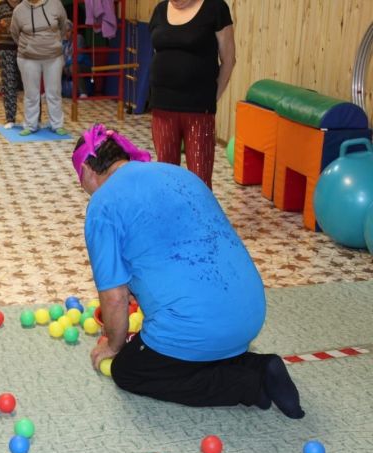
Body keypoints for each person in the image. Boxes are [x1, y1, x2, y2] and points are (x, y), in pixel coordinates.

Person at [74, 124, 305, 419]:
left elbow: (115, 298)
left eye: (81, 182)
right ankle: (252, 363)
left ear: (88, 170)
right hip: (251, 314)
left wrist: (113, 345)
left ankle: (252, 382)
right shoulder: (178, 173)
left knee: (130, 370)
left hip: (201, 327)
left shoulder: (102, 205)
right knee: (186, 346)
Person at [148, 0, 236, 189]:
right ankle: (171, 218)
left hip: (198, 110)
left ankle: (200, 218)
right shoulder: (160, 10)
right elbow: (159, 53)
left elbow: (229, 60)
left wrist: (212, 97)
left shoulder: (215, 8)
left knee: (200, 179)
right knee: (166, 177)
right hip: (162, 108)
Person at [10, 0, 68, 136]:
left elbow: (63, 25)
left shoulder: (55, 4)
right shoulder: (19, 10)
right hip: (27, 57)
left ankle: (57, 125)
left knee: (54, 92)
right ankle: (30, 125)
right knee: (31, 93)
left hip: (54, 57)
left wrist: (54, 43)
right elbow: (14, 33)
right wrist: (29, 47)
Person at [0, 0, 22, 128]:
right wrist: (1, 41)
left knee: (31, 84)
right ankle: (10, 119)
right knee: (8, 83)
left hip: (26, 49)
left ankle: (34, 119)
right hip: (6, 48)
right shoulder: (1, 5)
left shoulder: (26, 3)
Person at [62, 19, 91, 98]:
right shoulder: (65, 42)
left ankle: (83, 93)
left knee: (73, 67)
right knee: (56, 69)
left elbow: (79, 57)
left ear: (72, 30)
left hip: (83, 65)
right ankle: (52, 93)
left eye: (68, 31)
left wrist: (65, 63)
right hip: (68, 65)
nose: (66, 34)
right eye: (64, 31)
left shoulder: (78, 38)